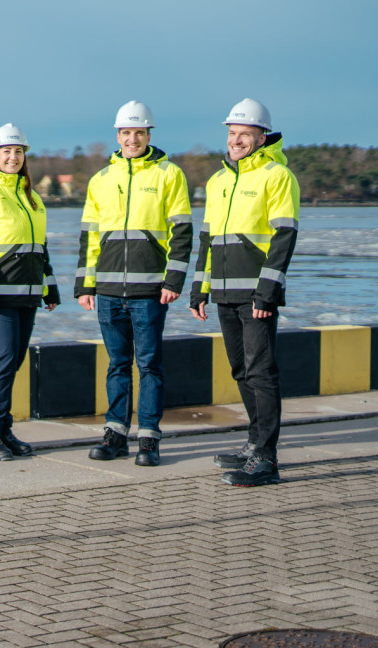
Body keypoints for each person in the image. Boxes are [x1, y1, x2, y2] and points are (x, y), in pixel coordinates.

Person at [76, 101, 193, 466]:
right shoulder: (101, 180)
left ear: (148, 135)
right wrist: (85, 285)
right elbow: (90, 237)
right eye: (126, 133)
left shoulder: (168, 174)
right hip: (108, 290)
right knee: (116, 365)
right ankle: (115, 435)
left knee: (150, 365)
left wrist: (173, 279)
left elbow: (182, 232)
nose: (132, 139)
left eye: (139, 132)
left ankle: (149, 439)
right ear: (118, 136)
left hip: (150, 290)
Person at [189, 98, 299, 487]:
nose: (236, 140)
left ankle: (267, 459)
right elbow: (208, 240)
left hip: (256, 294)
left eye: (244, 134)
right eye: (232, 133)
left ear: (261, 136)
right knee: (240, 369)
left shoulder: (276, 176)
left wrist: (267, 293)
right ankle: (254, 443)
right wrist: (199, 289)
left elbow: (284, 236)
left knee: (261, 372)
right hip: (222, 292)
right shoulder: (218, 180)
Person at [0, 123, 60, 461]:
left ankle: (2, 429)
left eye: (18, 152)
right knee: (3, 361)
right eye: (6, 152)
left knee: (14, 361)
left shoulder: (31, 197)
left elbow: (39, 247)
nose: (13, 157)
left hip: (27, 293)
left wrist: (50, 286)